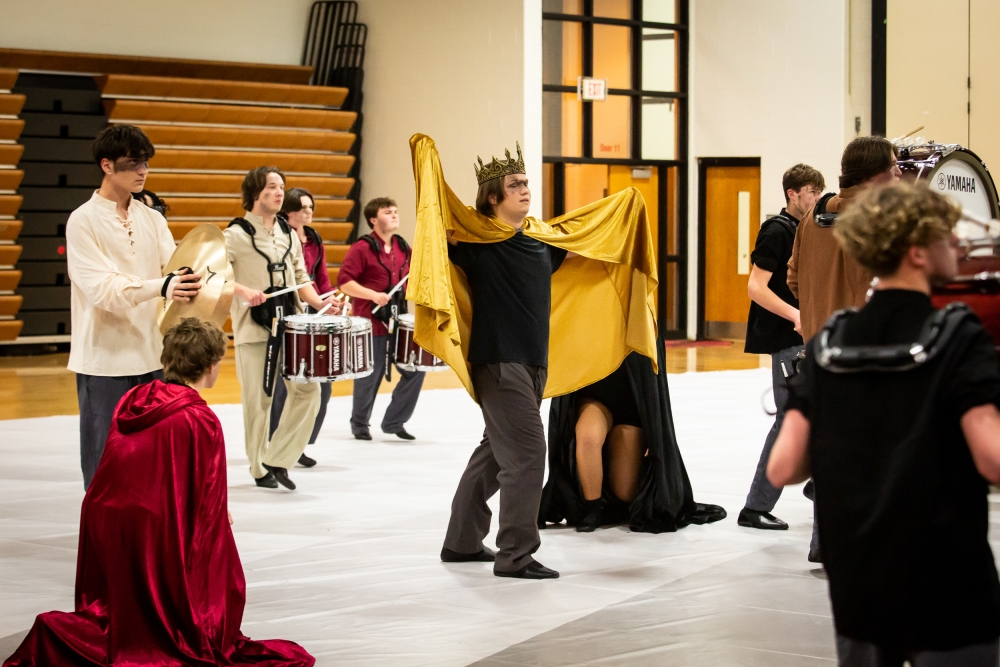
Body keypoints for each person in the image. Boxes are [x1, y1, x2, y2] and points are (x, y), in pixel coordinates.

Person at [768, 183, 1000, 667]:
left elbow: (784, 467)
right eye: (946, 235)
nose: (956, 244)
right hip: (946, 572)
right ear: (917, 252)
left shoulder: (831, 341)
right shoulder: (957, 333)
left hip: (860, 574)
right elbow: (993, 459)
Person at [408, 135, 659, 580]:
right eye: (516, 185)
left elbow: (592, 236)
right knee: (527, 454)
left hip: (532, 365)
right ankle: (516, 555)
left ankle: (462, 541)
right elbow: (437, 224)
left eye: (526, 183)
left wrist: (627, 207)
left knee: (495, 452)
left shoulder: (542, 242)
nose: (526, 190)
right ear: (493, 197)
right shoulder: (476, 242)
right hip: (499, 363)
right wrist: (429, 171)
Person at [3, 319, 315, 667]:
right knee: (214, 567)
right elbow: (206, 501)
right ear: (211, 367)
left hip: (105, 515)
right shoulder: (200, 418)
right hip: (153, 522)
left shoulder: (133, 399)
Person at [66, 124, 201, 489]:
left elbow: (174, 272)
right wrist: (163, 285)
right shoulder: (83, 220)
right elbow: (102, 289)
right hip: (104, 359)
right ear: (106, 165)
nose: (142, 171)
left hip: (153, 355)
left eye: (146, 163)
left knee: (153, 462)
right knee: (106, 464)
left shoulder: (152, 218)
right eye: (133, 163)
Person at [226, 167, 343, 491]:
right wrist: (243, 291)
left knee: (309, 391)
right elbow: (216, 277)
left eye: (281, 187)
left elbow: (300, 277)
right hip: (254, 328)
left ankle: (278, 458)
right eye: (271, 187)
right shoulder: (233, 235)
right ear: (255, 193)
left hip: (291, 326)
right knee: (258, 400)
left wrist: (320, 303)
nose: (279, 192)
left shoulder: (287, 233)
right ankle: (258, 466)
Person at [539, 348, 727, 533]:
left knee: (624, 491)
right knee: (588, 437)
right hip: (596, 394)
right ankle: (592, 510)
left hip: (632, 400)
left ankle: (627, 477)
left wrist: (652, 435)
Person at [738, 164, 823, 534]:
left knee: (814, 413)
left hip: (801, 335)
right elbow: (756, 286)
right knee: (789, 418)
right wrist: (797, 315)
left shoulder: (806, 229)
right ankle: (756, 506)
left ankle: (817, 483)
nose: (816, 198)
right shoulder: (776, 230)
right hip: (788, 338)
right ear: (793, 193)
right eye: (812, 192)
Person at [788, 136, 901, 341]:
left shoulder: (809, 218)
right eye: (893, 165)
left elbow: (793, 280)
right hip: (868, 348)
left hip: (819, 347)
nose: (899, 172)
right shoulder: (887, 219)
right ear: (871, 174)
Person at [337, 197, 425, 441]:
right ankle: (360, 424)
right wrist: (373, 295)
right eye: (388, 212)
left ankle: (394, 421)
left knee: (415, 368)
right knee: (370, 374)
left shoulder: (402, 247)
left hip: (398, 319)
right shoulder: (361, 248)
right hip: (371, 321)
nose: (395, 215)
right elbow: (345, 282)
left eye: (396, 211)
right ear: (373, 219)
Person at [268, 187, 335, 465]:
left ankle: (301, 443)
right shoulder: (280, 236)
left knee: (322, 384)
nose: (309, 211)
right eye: (303, 207)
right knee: (287, 385)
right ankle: (276, 441)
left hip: (315, 312)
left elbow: (322, 278)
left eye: (311, 207)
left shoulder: (315, 238)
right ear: (289, 211)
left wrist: (329, 302)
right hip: (292, 313)